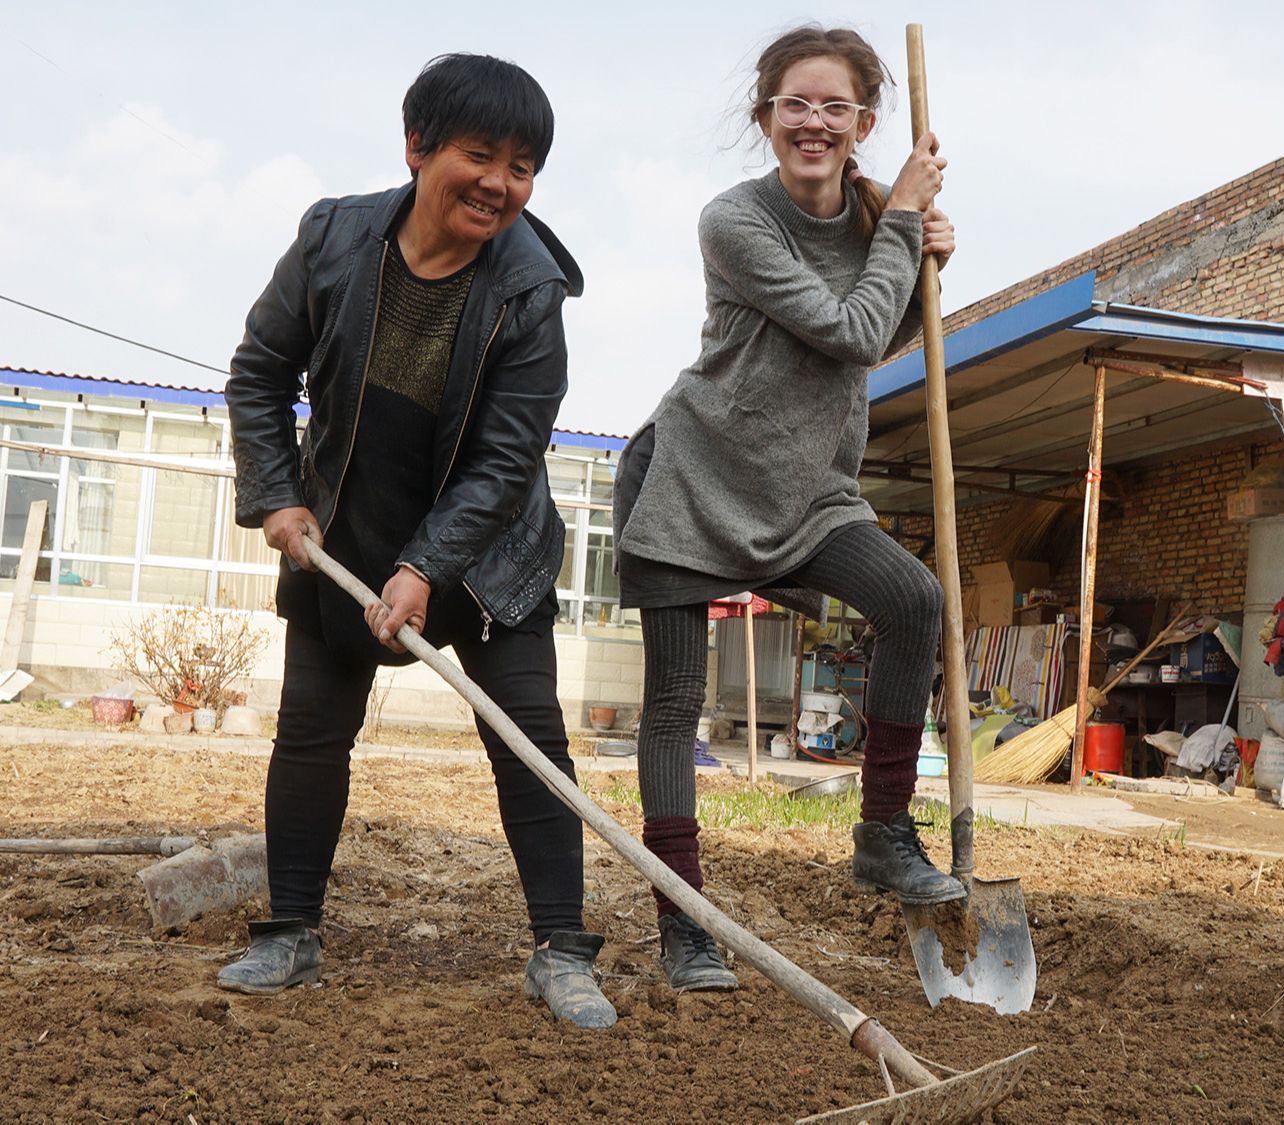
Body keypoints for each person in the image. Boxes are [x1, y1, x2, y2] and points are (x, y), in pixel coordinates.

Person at [221, 54, 614, 1028]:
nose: (500, 183)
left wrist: (425, 568)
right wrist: (275, 492)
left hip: (487, 562)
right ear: (417, 148)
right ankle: (291, 933)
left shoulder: (532, 295)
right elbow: (259, 371)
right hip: (344, 539)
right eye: (480, 155)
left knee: (530, 742)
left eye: (522, 166)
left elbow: (504, 463)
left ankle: (562, 951)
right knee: (312, 733)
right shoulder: (334, 238)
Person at [612, 26, 958, 992]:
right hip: (699, 478)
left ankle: (885, 831)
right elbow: (845, 331)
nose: (813, 122)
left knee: (914, 601)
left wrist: (927, 253)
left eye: (833, 106)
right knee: (676, 707)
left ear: (865, 124)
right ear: (765, 118)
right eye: (794, 104)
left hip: (811, 491)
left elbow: (881, 331)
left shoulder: (872, 214)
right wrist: (901, 229)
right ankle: (685, 926)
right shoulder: (734, 221)